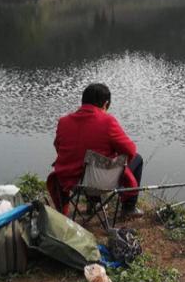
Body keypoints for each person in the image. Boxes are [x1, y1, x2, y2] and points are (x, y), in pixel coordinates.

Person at [46, 83, 143, 218]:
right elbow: (130, 150)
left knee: (88, 161)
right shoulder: (107, 121)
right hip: (98, 182)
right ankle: (128, 208)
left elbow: (58, 147)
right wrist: (115, 158)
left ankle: (94, 205)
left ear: (83, 101)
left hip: (70, 181)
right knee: (137, 159)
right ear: (106, 104)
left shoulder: (63, 121)